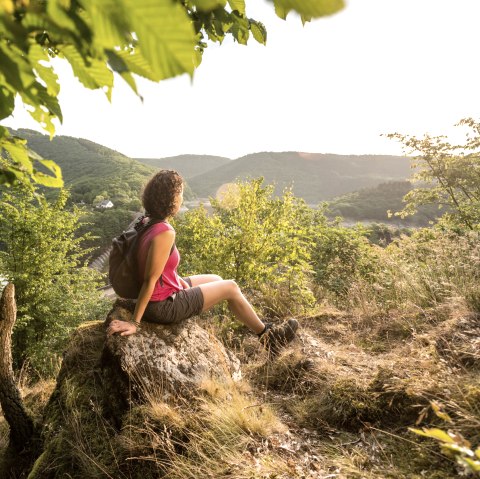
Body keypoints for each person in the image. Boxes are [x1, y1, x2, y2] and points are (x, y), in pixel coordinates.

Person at [107, 170, 298, 356]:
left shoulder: (145, 221)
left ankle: (261, 329)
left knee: (216, 279)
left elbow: (156, 268)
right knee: (230, 287)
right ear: (171, 199)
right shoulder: (164, 231)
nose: (181, 198)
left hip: (162, 292)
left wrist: (179, 283)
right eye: (180, 194)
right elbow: (150, 279)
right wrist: (135, 323)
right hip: (161, 306)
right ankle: (268, 336)